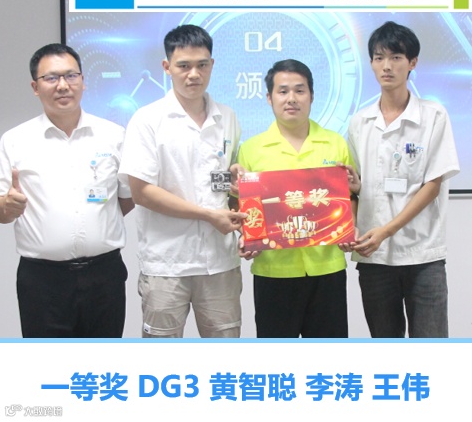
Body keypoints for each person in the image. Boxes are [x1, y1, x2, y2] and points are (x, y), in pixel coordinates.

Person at [119, 24, 246, 338]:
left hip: (220, 262)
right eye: (184, 66)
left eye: (202, 65)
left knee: (226, 354)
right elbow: (142, 192)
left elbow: (219, 183)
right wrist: (208, 215)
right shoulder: (147, 119)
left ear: (212, 65)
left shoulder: (227, 117)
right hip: (167, 263)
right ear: (167, 67)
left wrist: (233, 181)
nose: (194, 74)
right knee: (163, 359)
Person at [0, 43, 134, 338]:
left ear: (83, 81)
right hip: (42, 281)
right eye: (51, 78)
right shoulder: (15, 140)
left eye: (71, 76)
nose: (63, 85)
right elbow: (2, 209)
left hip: (105, 275)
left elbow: (126, 199)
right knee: (47, 363)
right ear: (35, 87)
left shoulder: (113, 135)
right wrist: (7, 207)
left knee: (105, 362)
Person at [342, 21, 460, 338]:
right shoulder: (359, 122)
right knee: (386, 348)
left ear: (412, 63)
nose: (387, 66)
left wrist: (387, 230)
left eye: (396, 57)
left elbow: (432, 186)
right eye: (379, 58)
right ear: (370, 63)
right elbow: (355, 188)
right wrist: (351, 226)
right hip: (374, 257)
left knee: (431, 347)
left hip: (423, 255)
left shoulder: (434, 116)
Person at [237, 59, 356, 338]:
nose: (291, 98)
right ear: (269, 98)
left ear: (312, 96)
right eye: (283, 91)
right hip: (273, 270)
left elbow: (350, 196)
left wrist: (351, 227)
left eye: (300, 90)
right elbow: (242, 206)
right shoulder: (251, 149)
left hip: (327, 268)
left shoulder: (335, 143)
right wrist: (247, 236)